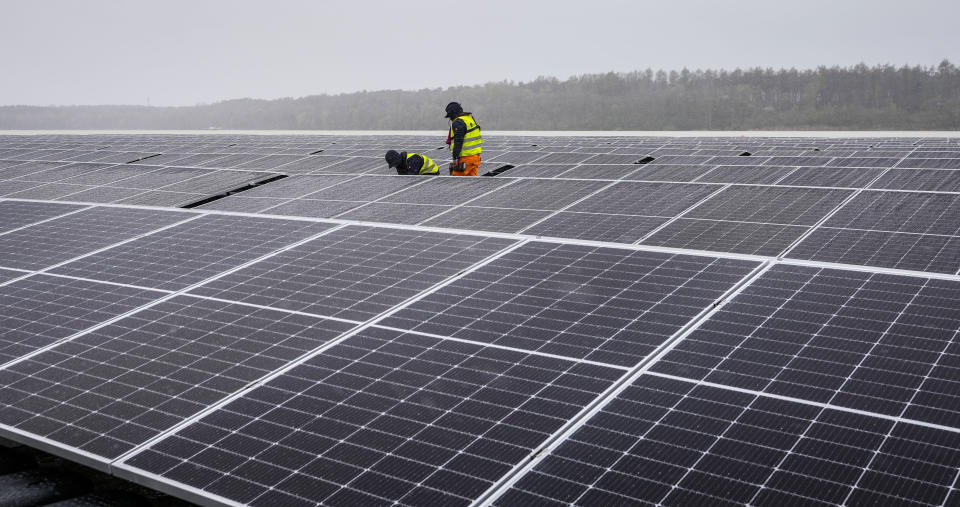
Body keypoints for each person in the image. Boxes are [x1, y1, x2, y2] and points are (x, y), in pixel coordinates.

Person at [444, 102, 482, 176]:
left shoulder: (458, 122)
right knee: (470, 184)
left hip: (465, 159)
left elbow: (458, 141)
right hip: (475, 158)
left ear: (452, 114)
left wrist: (455, 158)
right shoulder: (470, 119)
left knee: (457, 184)